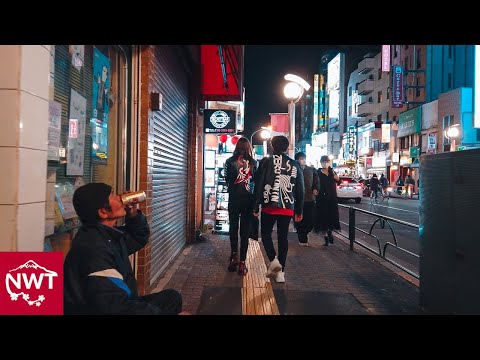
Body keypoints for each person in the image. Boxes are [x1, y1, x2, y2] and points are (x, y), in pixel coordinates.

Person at [64, 182, 188, 315]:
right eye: (112, 196)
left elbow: (138, 237)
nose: (119, 197)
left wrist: (133, 214)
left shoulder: (106, 235)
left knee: (171, 298)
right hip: (114, 306)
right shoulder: (93, 250)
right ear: (103, 212)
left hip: (121, 299)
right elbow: (117, 308)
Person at [254, 136, 304, 283]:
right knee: (283, 238)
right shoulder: (295, 164)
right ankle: (281, 272)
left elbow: (259, 184)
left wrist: (256, 205)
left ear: (272, 146)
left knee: (265, 234)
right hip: (287, 206)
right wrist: (299, 210)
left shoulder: (266, 162)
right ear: (287, 147)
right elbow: (300, 188)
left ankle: (273, 260)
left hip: (269, 204)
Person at [224, 137, 256, 276]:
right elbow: (256, 182)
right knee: (245, 231)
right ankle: (242, 263)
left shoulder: (229, 161)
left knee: (233, 227)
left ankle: (233, 257)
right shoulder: (254, 163)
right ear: (249, 147)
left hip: (234, 199)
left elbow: (227, 179)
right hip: (248, 200)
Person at [294, 151, 319, 246]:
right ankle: (302, 238)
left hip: (310, 198)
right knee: (299, 219)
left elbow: (316, 181)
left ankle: (306, 232)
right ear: (297, 160)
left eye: (304, 158)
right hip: (298, 199)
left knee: (310, 220)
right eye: (300, 158)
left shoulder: (312, 170)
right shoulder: (294, 169)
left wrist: (316, 189)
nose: (302, 160)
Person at [314, 155, 341, 246]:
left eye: (327, 161)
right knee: (322, 217)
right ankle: (325, 237)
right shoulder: (317, 172)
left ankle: (330, 233)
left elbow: (338, 181)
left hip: (332, 198)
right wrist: (314, 190)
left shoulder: (332, 171)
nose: (325, 163)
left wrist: (337, 178)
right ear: (321, 163)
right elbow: (314, 184)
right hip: (321, 199)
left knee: (332, 216)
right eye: (323, 161)